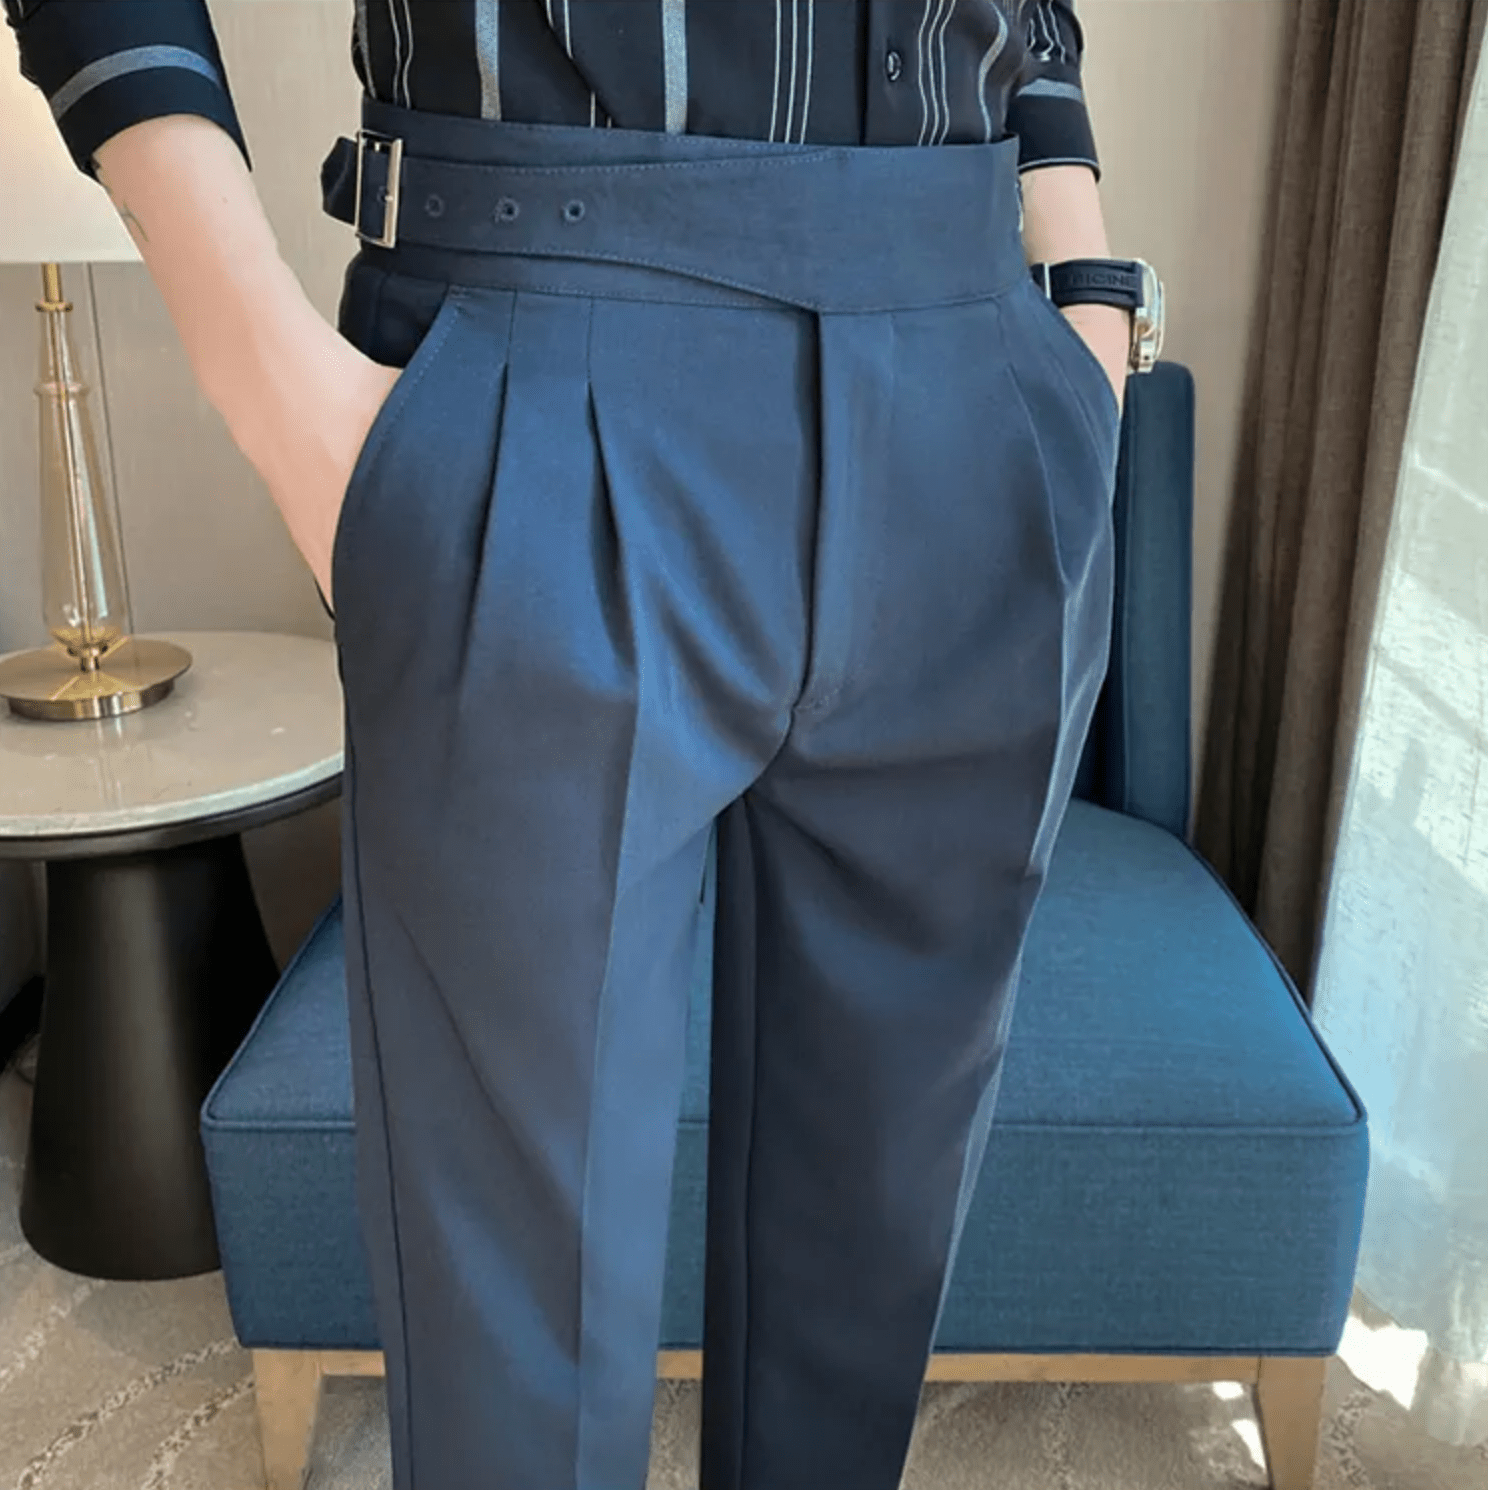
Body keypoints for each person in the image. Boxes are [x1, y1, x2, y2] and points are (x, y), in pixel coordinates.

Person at [5, 4, 1162, 1487]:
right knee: (516, 1366)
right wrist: (275, 397)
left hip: (971, 390)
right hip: (544, 348)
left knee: (873, 1263)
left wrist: (1088, 310)